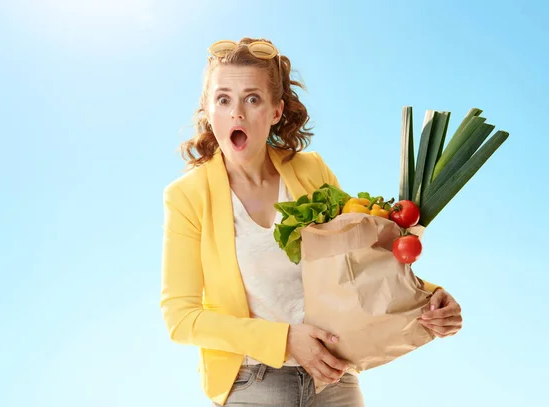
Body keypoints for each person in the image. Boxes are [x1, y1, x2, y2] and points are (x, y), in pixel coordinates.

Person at [160, 37, 463, 407]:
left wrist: (430, 298)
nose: (237, 113)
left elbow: (360, 257)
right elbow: (181, 317)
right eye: (223, 99)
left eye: (252, 98)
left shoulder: (309, 170)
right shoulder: (188, 196)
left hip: (333, 377)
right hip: (253, 383)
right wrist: (285, 339)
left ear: (275, 111)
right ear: (209, 111)